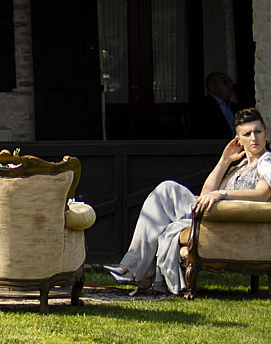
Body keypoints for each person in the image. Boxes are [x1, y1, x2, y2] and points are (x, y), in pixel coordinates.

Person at [112, 108, 271, 295]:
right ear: (237, 139)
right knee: (162, 217)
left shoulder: (266, 162)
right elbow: (206, 193)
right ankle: (136, 271)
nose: (253, 138)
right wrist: (225, 160)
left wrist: (222, 194)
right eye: (247, 134)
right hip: (216, 217)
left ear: (266, 133)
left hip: (228, 218)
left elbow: (262, 194)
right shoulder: (241, 166)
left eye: (258, 132)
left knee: (167, 189)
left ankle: (132, 267)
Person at [194, 72, 241, 146]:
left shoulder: (234, 107)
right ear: (212, 87)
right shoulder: (204, 106)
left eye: (230, 81)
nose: (230, 85)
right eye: (224, 82)